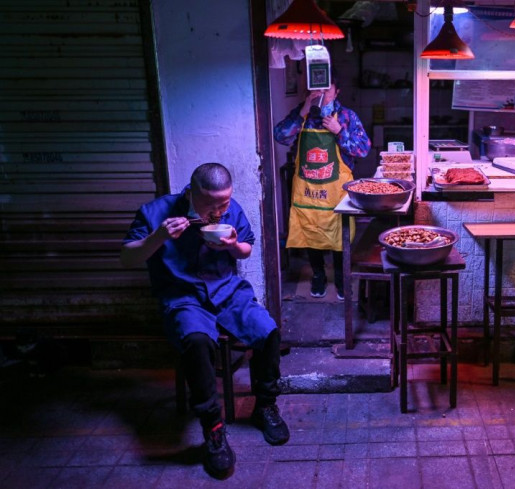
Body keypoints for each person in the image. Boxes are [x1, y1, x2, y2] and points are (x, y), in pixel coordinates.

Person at [120, 163, 289, 480]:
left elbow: (246, 249)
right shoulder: (157, 212)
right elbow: (127, 257)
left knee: (268, 331)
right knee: (197, 342)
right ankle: (213, 429)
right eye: (211, 204)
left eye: (224, 203)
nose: (218, 211)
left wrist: (233, 246)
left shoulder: (230, 210)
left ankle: (265, 405)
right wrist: (158, 237)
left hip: (228, 292)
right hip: (184, 297)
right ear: (191, 193)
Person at [274, 76, 371, 300]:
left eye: (327, 90)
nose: (321, 94)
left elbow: (363, 149)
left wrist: (339, 132)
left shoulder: (347, 117)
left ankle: (340, 278)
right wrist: (303, 111)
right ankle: (318, 275)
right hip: (308, 191)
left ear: (337, 92)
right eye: (317, 89)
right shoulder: (303, 114)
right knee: (311, 232)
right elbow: (280, 136)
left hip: (336, 192)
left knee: (339, 235)